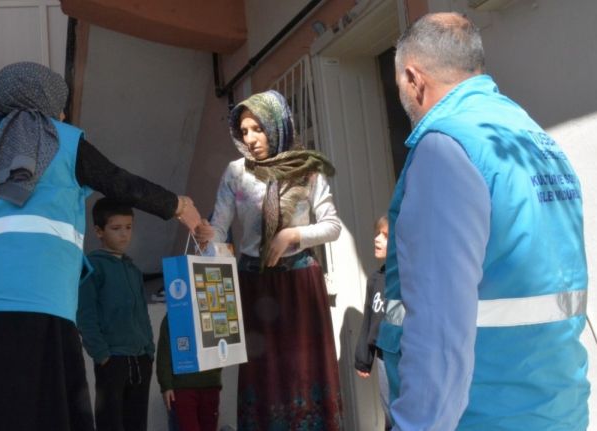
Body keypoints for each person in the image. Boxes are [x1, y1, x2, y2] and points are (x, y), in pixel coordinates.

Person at [0, 61, 201, 431]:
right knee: (53, 411)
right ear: (46, 102)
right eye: (59, 103)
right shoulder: (59, 140)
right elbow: (118, 182)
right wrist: (177, 206)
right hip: (39, 299)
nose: (62, 113)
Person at [376, 13, 589, 430]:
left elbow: (439, 332)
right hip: (556, 409)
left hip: (481, 414)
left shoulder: (444, 150)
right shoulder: (534, 138)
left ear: (413, 78)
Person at [194, 90, 343, 430]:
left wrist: (294, 235)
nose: (251, 139)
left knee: (304, 372)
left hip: (300, 285)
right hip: (255, 285)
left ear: (277, 126)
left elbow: (332, 226)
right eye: (244, 131)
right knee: (265, 376)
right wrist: (206, 236)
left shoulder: (307, 169)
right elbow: (219, 227)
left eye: (258, 129)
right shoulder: (236, 172)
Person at [77, 199, 155, 431]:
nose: (124, 235)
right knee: (111, 422)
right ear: (99, 231)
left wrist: (149, 350)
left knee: (137, 422)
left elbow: (142, 313)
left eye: (128, 227)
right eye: (116, 228)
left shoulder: (133, 269)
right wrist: (102, 354)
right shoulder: (92, 266)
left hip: (141, 358)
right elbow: (85, 315)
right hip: (113, 359)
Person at [353, 215, 391, 430]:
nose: (377, 239)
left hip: (409, 356)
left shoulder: (409, 278)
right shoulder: (376, 280)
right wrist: (364, 357)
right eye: (377, 234)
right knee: (389, 410)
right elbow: (369, 319)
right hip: (384, 357)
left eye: (385, 236)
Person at [156, 314, 223, 431]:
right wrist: (166, 385)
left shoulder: (213, 313)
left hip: (210, 384)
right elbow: (164, 353)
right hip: (183, 387)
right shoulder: (175, 313)